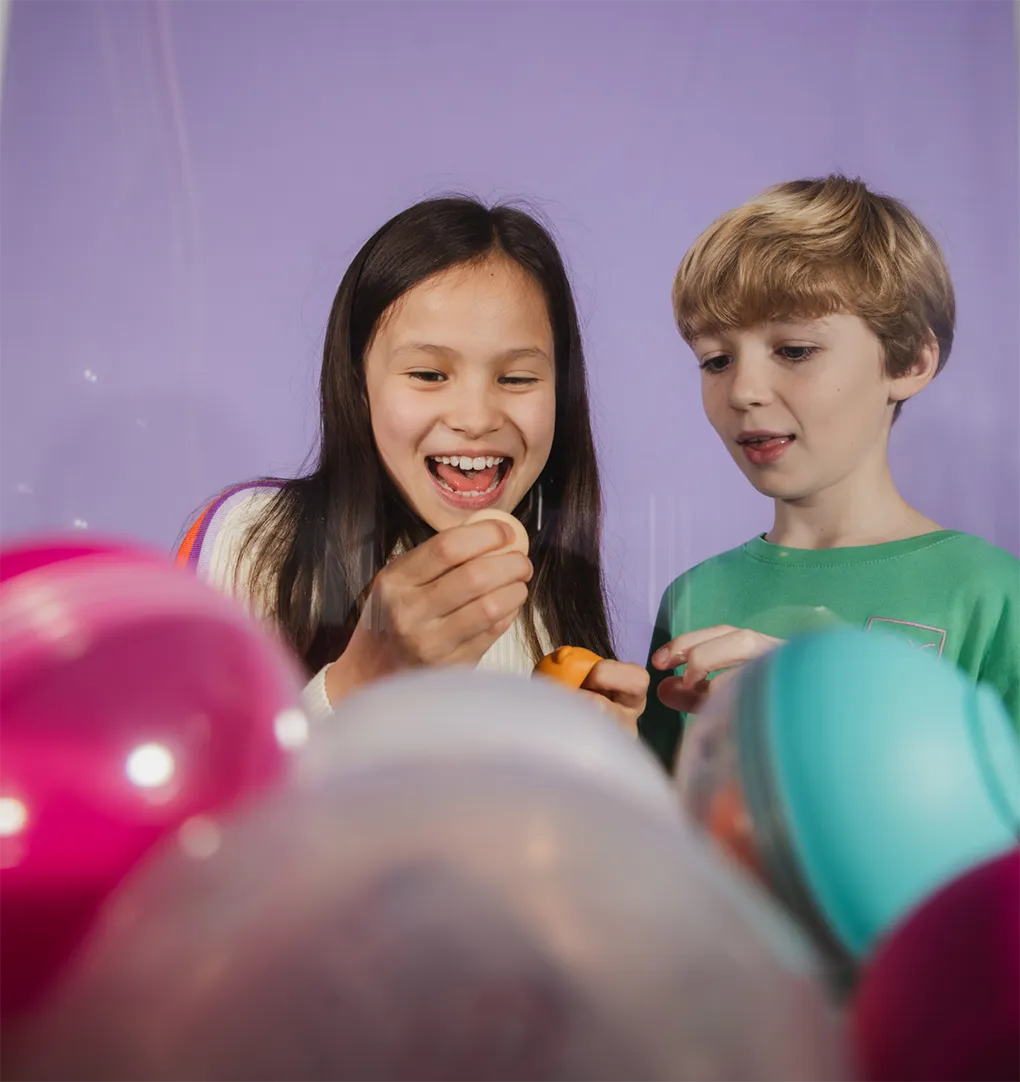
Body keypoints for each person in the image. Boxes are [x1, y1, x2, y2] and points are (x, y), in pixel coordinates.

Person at [177, 197, 648, 728]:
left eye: (517, 379)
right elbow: (190, 794)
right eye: (428, 374)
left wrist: (606, 773)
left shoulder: (550, 597)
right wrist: (359, 682)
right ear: (358, 388)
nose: (475, 418)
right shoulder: (255, 539)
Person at [640, 174, 1020, 771]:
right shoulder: (692, 598)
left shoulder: (993, 597)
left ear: (910, 361)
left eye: (794, 351)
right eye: (716, 360)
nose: (743, 390)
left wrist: (819, 709)